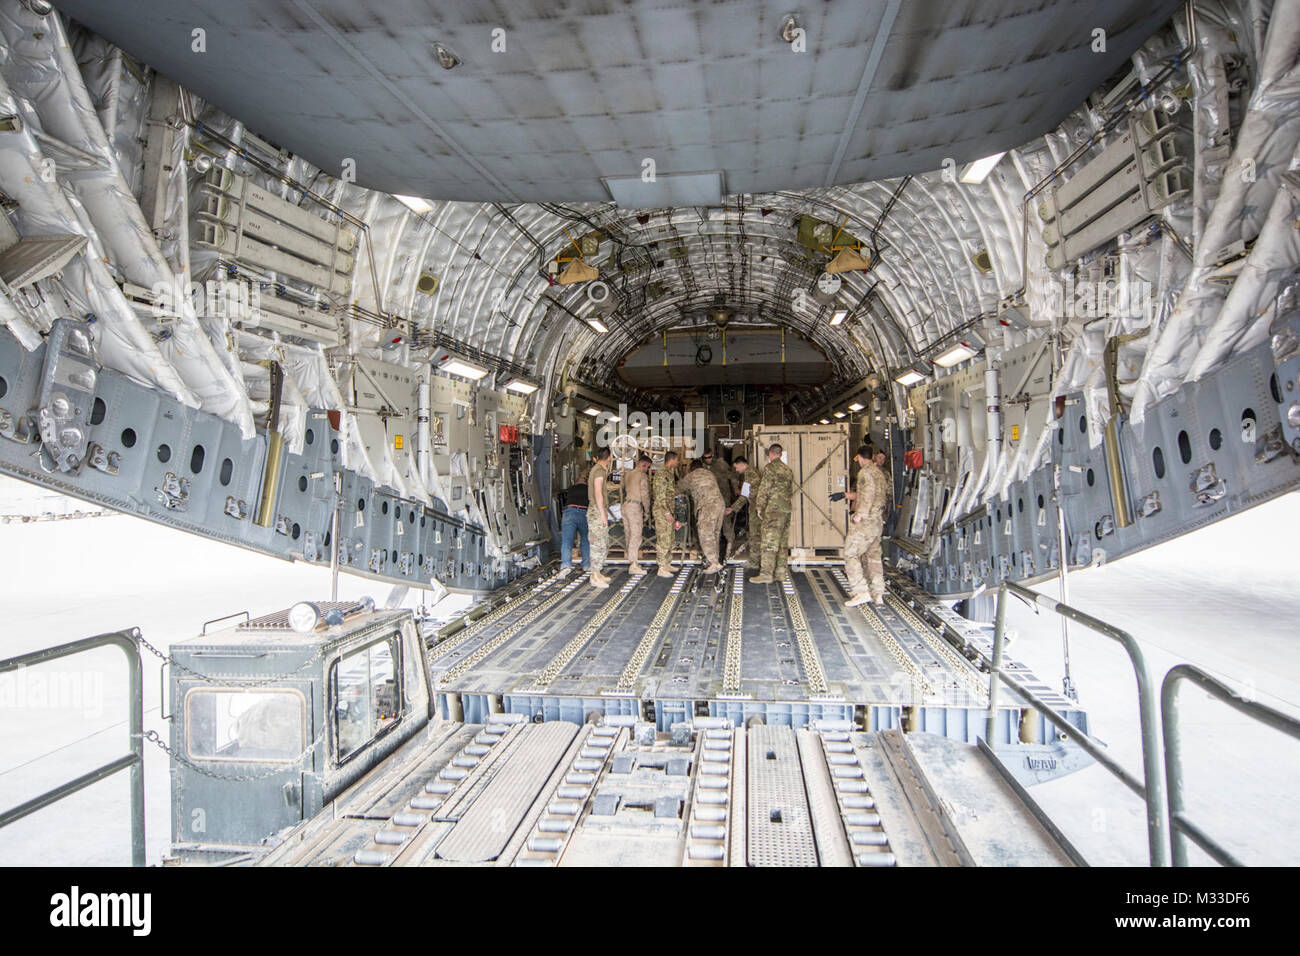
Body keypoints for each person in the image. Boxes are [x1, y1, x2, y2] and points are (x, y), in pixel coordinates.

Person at [844, 444, 886, 606]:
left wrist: (859, 515)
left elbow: (867, 494)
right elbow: (880, 495)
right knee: (873, 557)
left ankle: (860, 591)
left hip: (866, 523)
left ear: (860, 457)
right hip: (876, 522)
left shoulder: (865, 473)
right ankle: (878, 592)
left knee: (850, 553)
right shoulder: (879, 474)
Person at [751, 443, 794, 583]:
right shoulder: (788, 470)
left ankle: (766, 574)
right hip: (786, 509)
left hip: (774, 510)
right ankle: (780, 572)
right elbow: (789, 491)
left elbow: (764, 489)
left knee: (769, 541)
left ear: (770, 454)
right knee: (782, 542)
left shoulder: (770, 468)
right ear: (780, 454)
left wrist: (759, 507)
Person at [676, 458, 725, 574]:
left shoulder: (691, 476)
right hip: (720, 504)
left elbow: (678, 489)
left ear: (691, 468)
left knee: (705, 534)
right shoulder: (709, 473)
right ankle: (714, 560)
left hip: (707, 506)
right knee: (714, 534)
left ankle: (714, 563)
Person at [587, 446, 614, 589]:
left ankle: (597, 573)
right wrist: (603, 513)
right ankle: (595, 576)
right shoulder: (599, 471)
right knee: (597, 544)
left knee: (602, 542)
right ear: (609, 457)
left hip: (596, 510)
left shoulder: (598, 469)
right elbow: (598, 492)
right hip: (597, 511)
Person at [622, 454, 652, 576]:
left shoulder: (628, 474)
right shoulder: (642, 475)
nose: (647, 469)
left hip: (625, 505)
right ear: (643, 465)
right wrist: (647, 510)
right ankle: (633, 564)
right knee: (636, 535)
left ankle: (631, 560)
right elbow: (644, 494)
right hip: (635, 507)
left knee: (628, 533)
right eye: (647, 467)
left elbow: (623, 488)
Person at [652, 451, 681, 578]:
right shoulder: (662, 474)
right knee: (663, 539)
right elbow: (660, 496)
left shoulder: (670, 473)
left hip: (669, 510)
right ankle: (661, 567)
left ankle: (667, 563)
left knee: (670, 538)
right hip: (662, 512)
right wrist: (667, 512)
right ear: (672, 459)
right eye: (677, 460)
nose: (678, 462)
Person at [722, 455, 755, 563]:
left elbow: (744, 496)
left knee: (755, 534)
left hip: (756, 508)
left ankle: (755, 561)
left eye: (737, 467)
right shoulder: (751, 473)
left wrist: (732, 508)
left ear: (742, 464)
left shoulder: (749, 475)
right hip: (756, 507)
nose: (736, 470)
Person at [559, 477, 590, 571]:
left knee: (567, 540)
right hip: (584, 512)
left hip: (569, 512)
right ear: (586, 482)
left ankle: (565, 565)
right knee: (585, 539)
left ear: (576, 483)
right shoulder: (589, 489)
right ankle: (586, 565)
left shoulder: (571, 489)